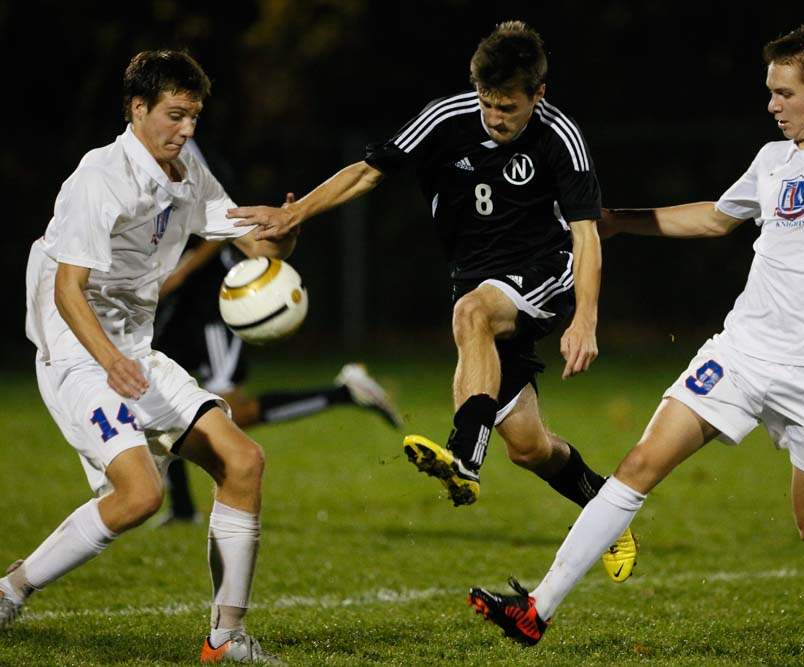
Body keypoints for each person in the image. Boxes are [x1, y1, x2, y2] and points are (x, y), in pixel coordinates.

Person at [466, 22, 804, 654]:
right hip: (742, 351)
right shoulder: (774, 161)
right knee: (638, 465)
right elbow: (718, 218)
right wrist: (618, 223)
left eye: (785, 93)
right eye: (770, 92)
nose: (772, 105)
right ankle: (538, 609)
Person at [229, 21, 637, 582]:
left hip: (545, 274)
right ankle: (603, 507)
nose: (496, 118)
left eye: (509, 108)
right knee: (528, 445)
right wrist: (293, 214)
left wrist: (586, 320)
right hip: (475, 277)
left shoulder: (559, 136)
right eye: (489, 104)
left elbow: (587, 235)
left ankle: (465, 455)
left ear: (538, 95)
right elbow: (368, 174)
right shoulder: (446, 119)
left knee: (471, 313)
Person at [0, 50, 294, 663]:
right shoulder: (101, 177)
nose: (188, 129)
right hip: (76, 350)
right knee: (141, 497)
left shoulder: (187, 167)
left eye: (194, 115)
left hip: (133, 348)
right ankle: (3, 592)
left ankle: (226, 638)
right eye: (175, 115)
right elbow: (67, 290)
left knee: (242, 461)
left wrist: (282, 230)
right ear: (138, 110)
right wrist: (109, 362)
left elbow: (245, 234)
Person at [153, 141, 402, 525]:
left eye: (188, 114)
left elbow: (221, 226)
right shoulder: (139, 153)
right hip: (177, 307)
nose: (184, 123)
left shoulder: (192, 155)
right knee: (157, 398)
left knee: (228, 414)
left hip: (214, 302)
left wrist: (183, 271)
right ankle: (182, 507)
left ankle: (342, 393)